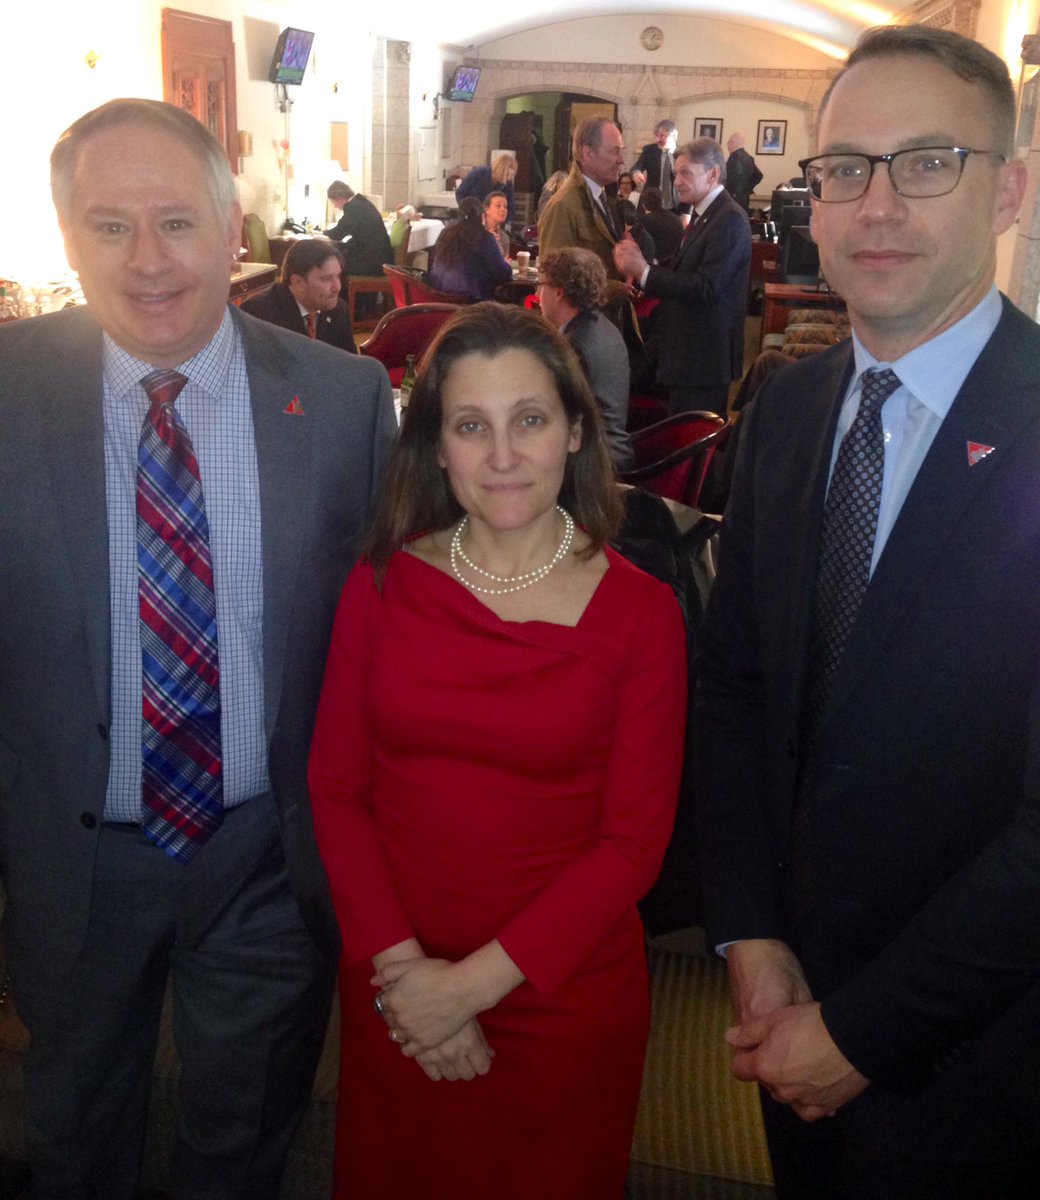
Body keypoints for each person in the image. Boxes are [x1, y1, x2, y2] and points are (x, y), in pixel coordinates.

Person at [0, 98, 396, 1200]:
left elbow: (391, 631)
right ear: (68, 238)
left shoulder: (344, 399)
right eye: (108, 226)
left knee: (244, 1142)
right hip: (72, 859)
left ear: (233, 231)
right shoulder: (6, 391)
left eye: (175, 221)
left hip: (266, 857)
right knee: (75, 1135)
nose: (146, 260)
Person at [694, 23, 1037, 1200]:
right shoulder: (785, 415)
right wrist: (748, 936)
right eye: (845, 168)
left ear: (1008, 190)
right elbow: (734, 690)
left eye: (925, 162)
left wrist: (862, 1032)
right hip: (783, 1011)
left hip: (982, 1062)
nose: (875, 206)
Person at [308, 302, 687, 1200]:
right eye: (471, 426)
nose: (504, 456)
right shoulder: (383, 582)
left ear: (576, 432)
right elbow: (336, 791)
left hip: (559, 998)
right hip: (398, 986)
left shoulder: (642, 612)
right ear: (436, 448)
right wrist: (409, 980)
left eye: (531, 420)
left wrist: (467, 989)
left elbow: (633, 845)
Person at [614, 137, 751, 415]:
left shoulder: (729, 219)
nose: (676, 182)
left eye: (686, 173)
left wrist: (645, 272)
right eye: (676, 173)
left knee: (694, 435)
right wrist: (644, 275)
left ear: (713, 174)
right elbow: (683, 271)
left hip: (703, 359)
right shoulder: (705, 214)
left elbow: (706, 286)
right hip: (687, 355)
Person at [537, 247, 634, 469]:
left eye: (540, 285)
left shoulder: (575, 344)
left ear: (559, 292)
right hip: (611, 449)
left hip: (594, 462)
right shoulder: (605, 327)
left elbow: (559, 411)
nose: (538, 294)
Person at [539, 116, 626, 279]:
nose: (621, 160)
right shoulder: (562, 206)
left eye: (621, 151)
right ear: (588, 153)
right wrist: (615, 288)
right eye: (615, 151)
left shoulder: (604, 198)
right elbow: (555, 278)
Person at [240, 237, 356, 352]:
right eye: (327, 279)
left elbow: (350, 360)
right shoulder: (258, 313)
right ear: (298, 282)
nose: (337, 287)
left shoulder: (339, 310)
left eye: (338, 276)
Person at [428, 196, 511, 300]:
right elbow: (503, 274)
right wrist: (506, 264)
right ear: (482, 217)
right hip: (469, 301)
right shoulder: (484, 237)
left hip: (437, 297)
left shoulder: (445, 233)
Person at [324, 180, 394, 278]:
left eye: (334, 202)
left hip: (372, 263)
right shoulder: (360, 202)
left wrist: (325, 233)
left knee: (335, 266)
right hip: (380, 258)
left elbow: (338, 233)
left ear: (339, 197)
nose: (335, 206)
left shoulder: (353, 207)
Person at [455, 151, 518, 222]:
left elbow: (510, 206)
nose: (509, 178)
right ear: (501, 170)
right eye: (507, 174)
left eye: (511, 175)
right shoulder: (479, 173)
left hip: (492, 220)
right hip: (472, 216)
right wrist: (466, 211)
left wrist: (503, 220)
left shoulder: (506, 184)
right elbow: (460, 193)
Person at [631, 119, 679, 211]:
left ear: (673, 136)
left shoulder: (682, 153)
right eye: (657, 135)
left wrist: (686, 212)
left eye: (663, 136)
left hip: (674, 206)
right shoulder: (649, 150)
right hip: (650, 203)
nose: (659, 139)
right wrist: (636, 174)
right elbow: (636, 167)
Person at [632, 186, 684, 266]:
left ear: (643, 205)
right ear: (661, 201)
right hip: (677, 262)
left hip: (656, 265)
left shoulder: (644, 222)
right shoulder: (675, 218)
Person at [724, 131, 764, 213]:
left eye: (728, 143)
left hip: (732, 199)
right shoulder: (749, 158)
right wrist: (748, 188)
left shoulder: (733, 158)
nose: (727, 146)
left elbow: (728, 179)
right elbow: (759, 175)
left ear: (732, 143)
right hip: (745, 198)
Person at [483, 188, 511, 258]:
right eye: (498, 205)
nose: (503, 209)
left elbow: (504, 262)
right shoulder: (476, 232)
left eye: (505, 206)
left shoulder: (504, 237)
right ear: (487, 210)